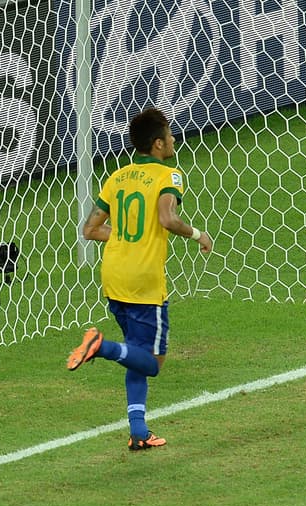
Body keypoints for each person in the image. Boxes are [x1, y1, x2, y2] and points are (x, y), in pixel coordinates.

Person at [66, 107, 214, 450]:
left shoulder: (118, 177)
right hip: (145, 281)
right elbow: (167, 218)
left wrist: (121, 237)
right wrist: (198, 234)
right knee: (152, 363)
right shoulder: (170, 175)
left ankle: (138, 430)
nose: (175, 139)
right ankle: (101, 347)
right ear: (159, 144)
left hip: (113, 275)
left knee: (135, 353)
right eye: (170, 135)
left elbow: (90, 230)